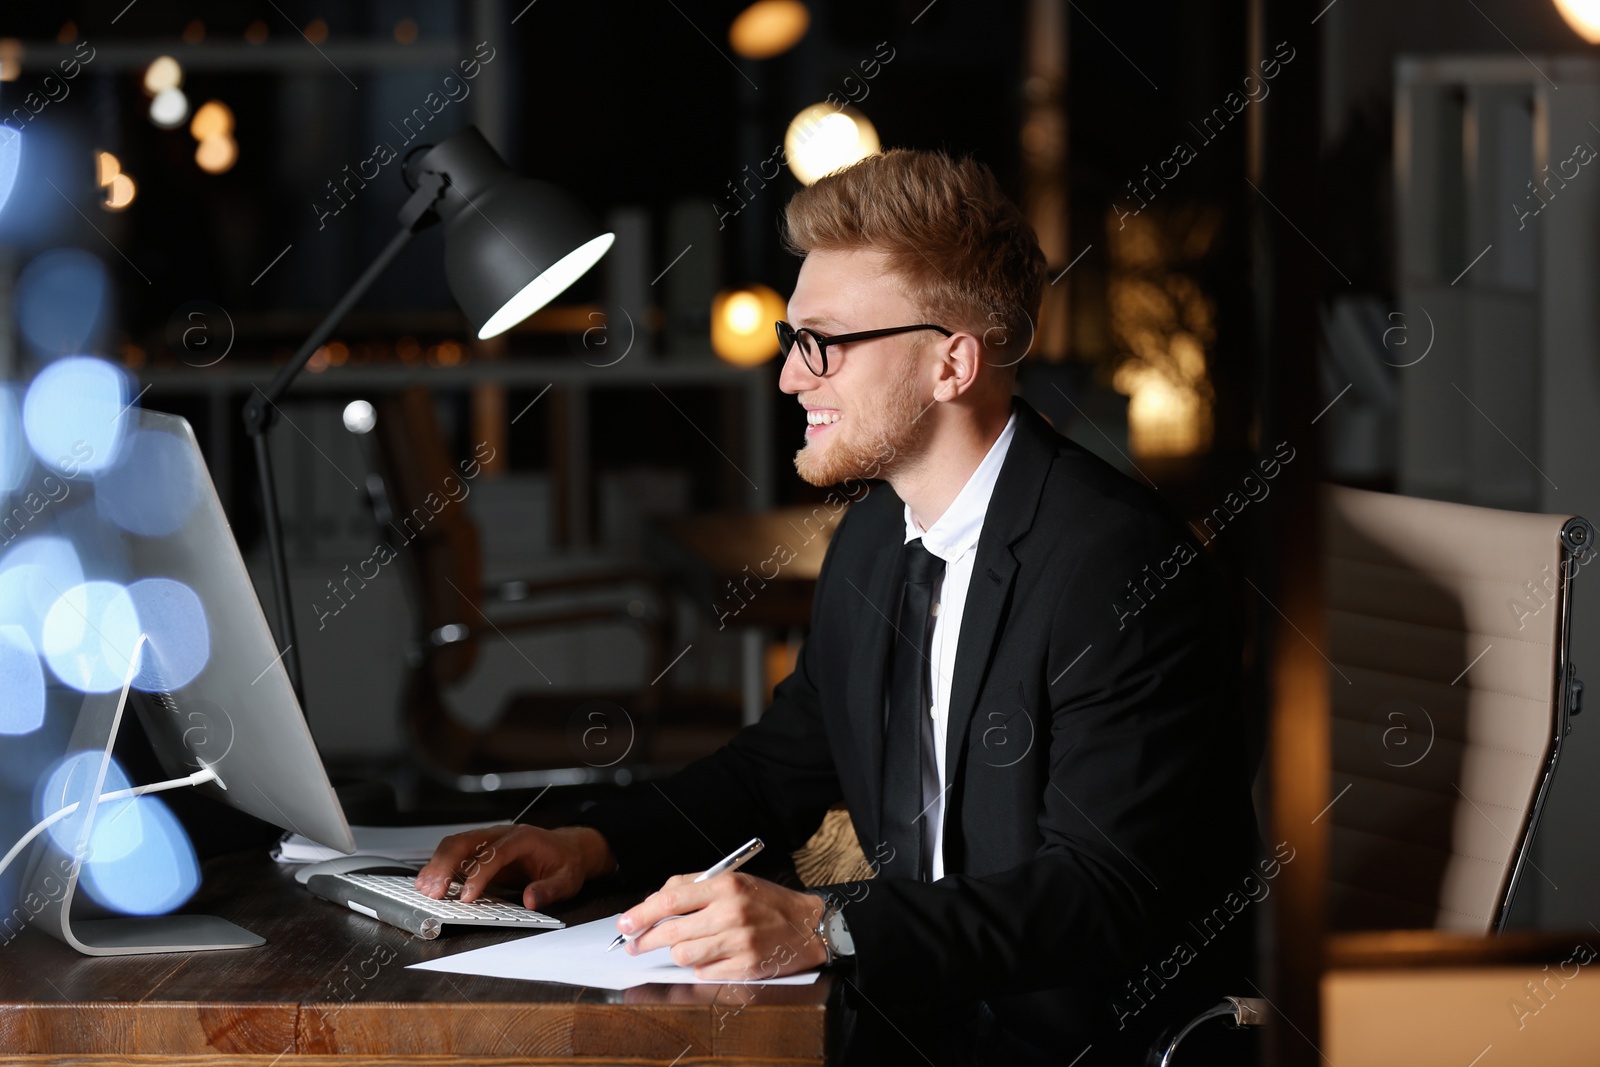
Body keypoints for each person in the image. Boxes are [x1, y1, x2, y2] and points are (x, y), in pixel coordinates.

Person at [417, 148, 1258, 1065]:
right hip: (919, 1027)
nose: (790, 378)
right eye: (792, 341)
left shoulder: (1114, 562)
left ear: (951, 363)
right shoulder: (874, 539)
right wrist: (588, 841)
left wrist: (828, 924)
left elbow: (1103, 893)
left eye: (827, 342)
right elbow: (776, 771)